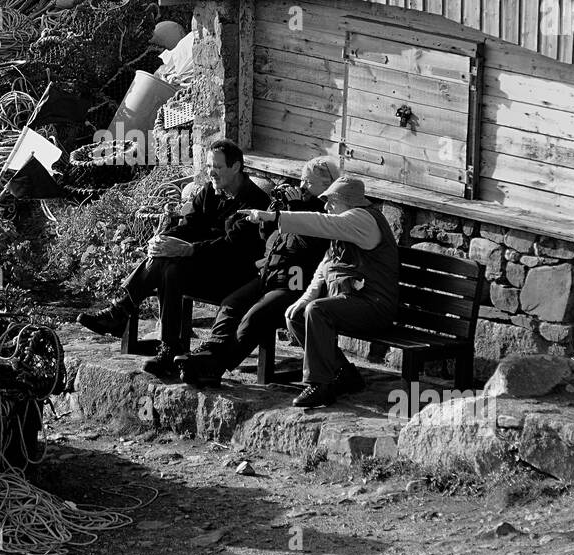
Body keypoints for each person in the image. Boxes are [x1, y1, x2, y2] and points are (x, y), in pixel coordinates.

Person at [77, 138, 269, 377]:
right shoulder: (211, 190)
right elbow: (190, 225)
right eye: (209, 166)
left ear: (236, 167)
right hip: (204, 266)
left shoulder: (256, 202)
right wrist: (162, 240)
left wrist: (189, 250)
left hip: (234, 277)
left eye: (217, 168)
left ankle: (124, 314)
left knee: (172, 267)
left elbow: (232, 248)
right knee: (165, 263)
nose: (211, 172)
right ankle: (165, 345)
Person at [238, 175, 399, 408]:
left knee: (318, 311)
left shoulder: (361, 219)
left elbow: (320, 222)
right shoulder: (343, 226)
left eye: (331, 201)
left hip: (374, 307)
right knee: (297, 314)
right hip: (352, 302)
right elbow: (324, 268)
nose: (326, 207)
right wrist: (304, 299)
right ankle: (343, 373)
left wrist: (274, 216)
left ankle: (319, 385)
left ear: (347, 201)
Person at [179, 157, 338, 387]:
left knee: (254, 317)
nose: (302, 187)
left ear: (328, 185)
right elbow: (269, 240)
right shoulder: (297, 206)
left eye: (309, 183)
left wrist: (293, 210)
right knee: (231, 303)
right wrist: (270, 216)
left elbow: (311, 246)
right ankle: (210, 352)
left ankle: (215, 366)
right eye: (302, 180)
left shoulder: (328, 213)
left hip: (296, 283)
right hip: (269, 275)